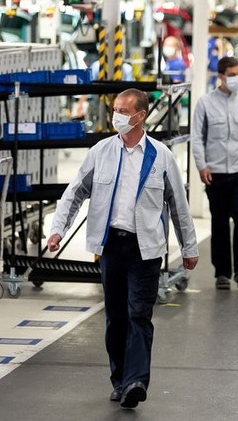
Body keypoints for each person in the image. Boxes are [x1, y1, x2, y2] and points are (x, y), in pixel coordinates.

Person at [46, 89, 199, 410]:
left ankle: (136, 381)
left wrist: (189, 246)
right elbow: (74, 192)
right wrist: (57, 229)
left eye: (122, 110)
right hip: (111, 246)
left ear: (140, 116)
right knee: (116, 317)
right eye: (115, 109)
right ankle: (120, 379)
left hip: (146, 249)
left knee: (139, 315)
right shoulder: (101, 151)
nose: (116, 115)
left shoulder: (160, 156)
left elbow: (179, 205)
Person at [191, 56, 238, 290]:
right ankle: (222, 273)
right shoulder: (205, 104)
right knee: (220, 222)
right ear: (221, 76)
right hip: (216, 173)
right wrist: (201, 165)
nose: (237, 78)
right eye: (232, 74)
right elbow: (197, 138)